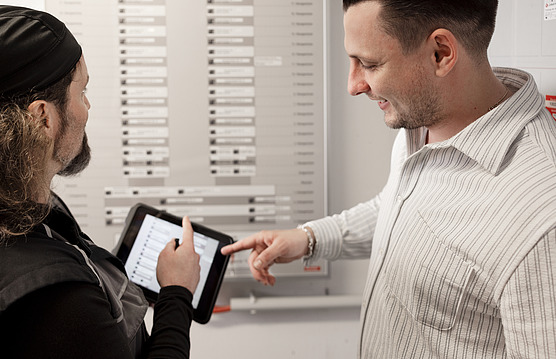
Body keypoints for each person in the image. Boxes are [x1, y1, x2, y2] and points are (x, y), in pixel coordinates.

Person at [222, 0, 556, 357]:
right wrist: (309, 238)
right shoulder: (424, 122)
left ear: (441, 53)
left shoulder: (540, 217)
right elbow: (403, 205)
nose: (353, 85)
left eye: (369, 64)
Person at [0, 5, 200, 359]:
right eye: (81, 92)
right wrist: (176, 293)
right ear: (42, 118)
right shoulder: (58, 302)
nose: (87, 107)